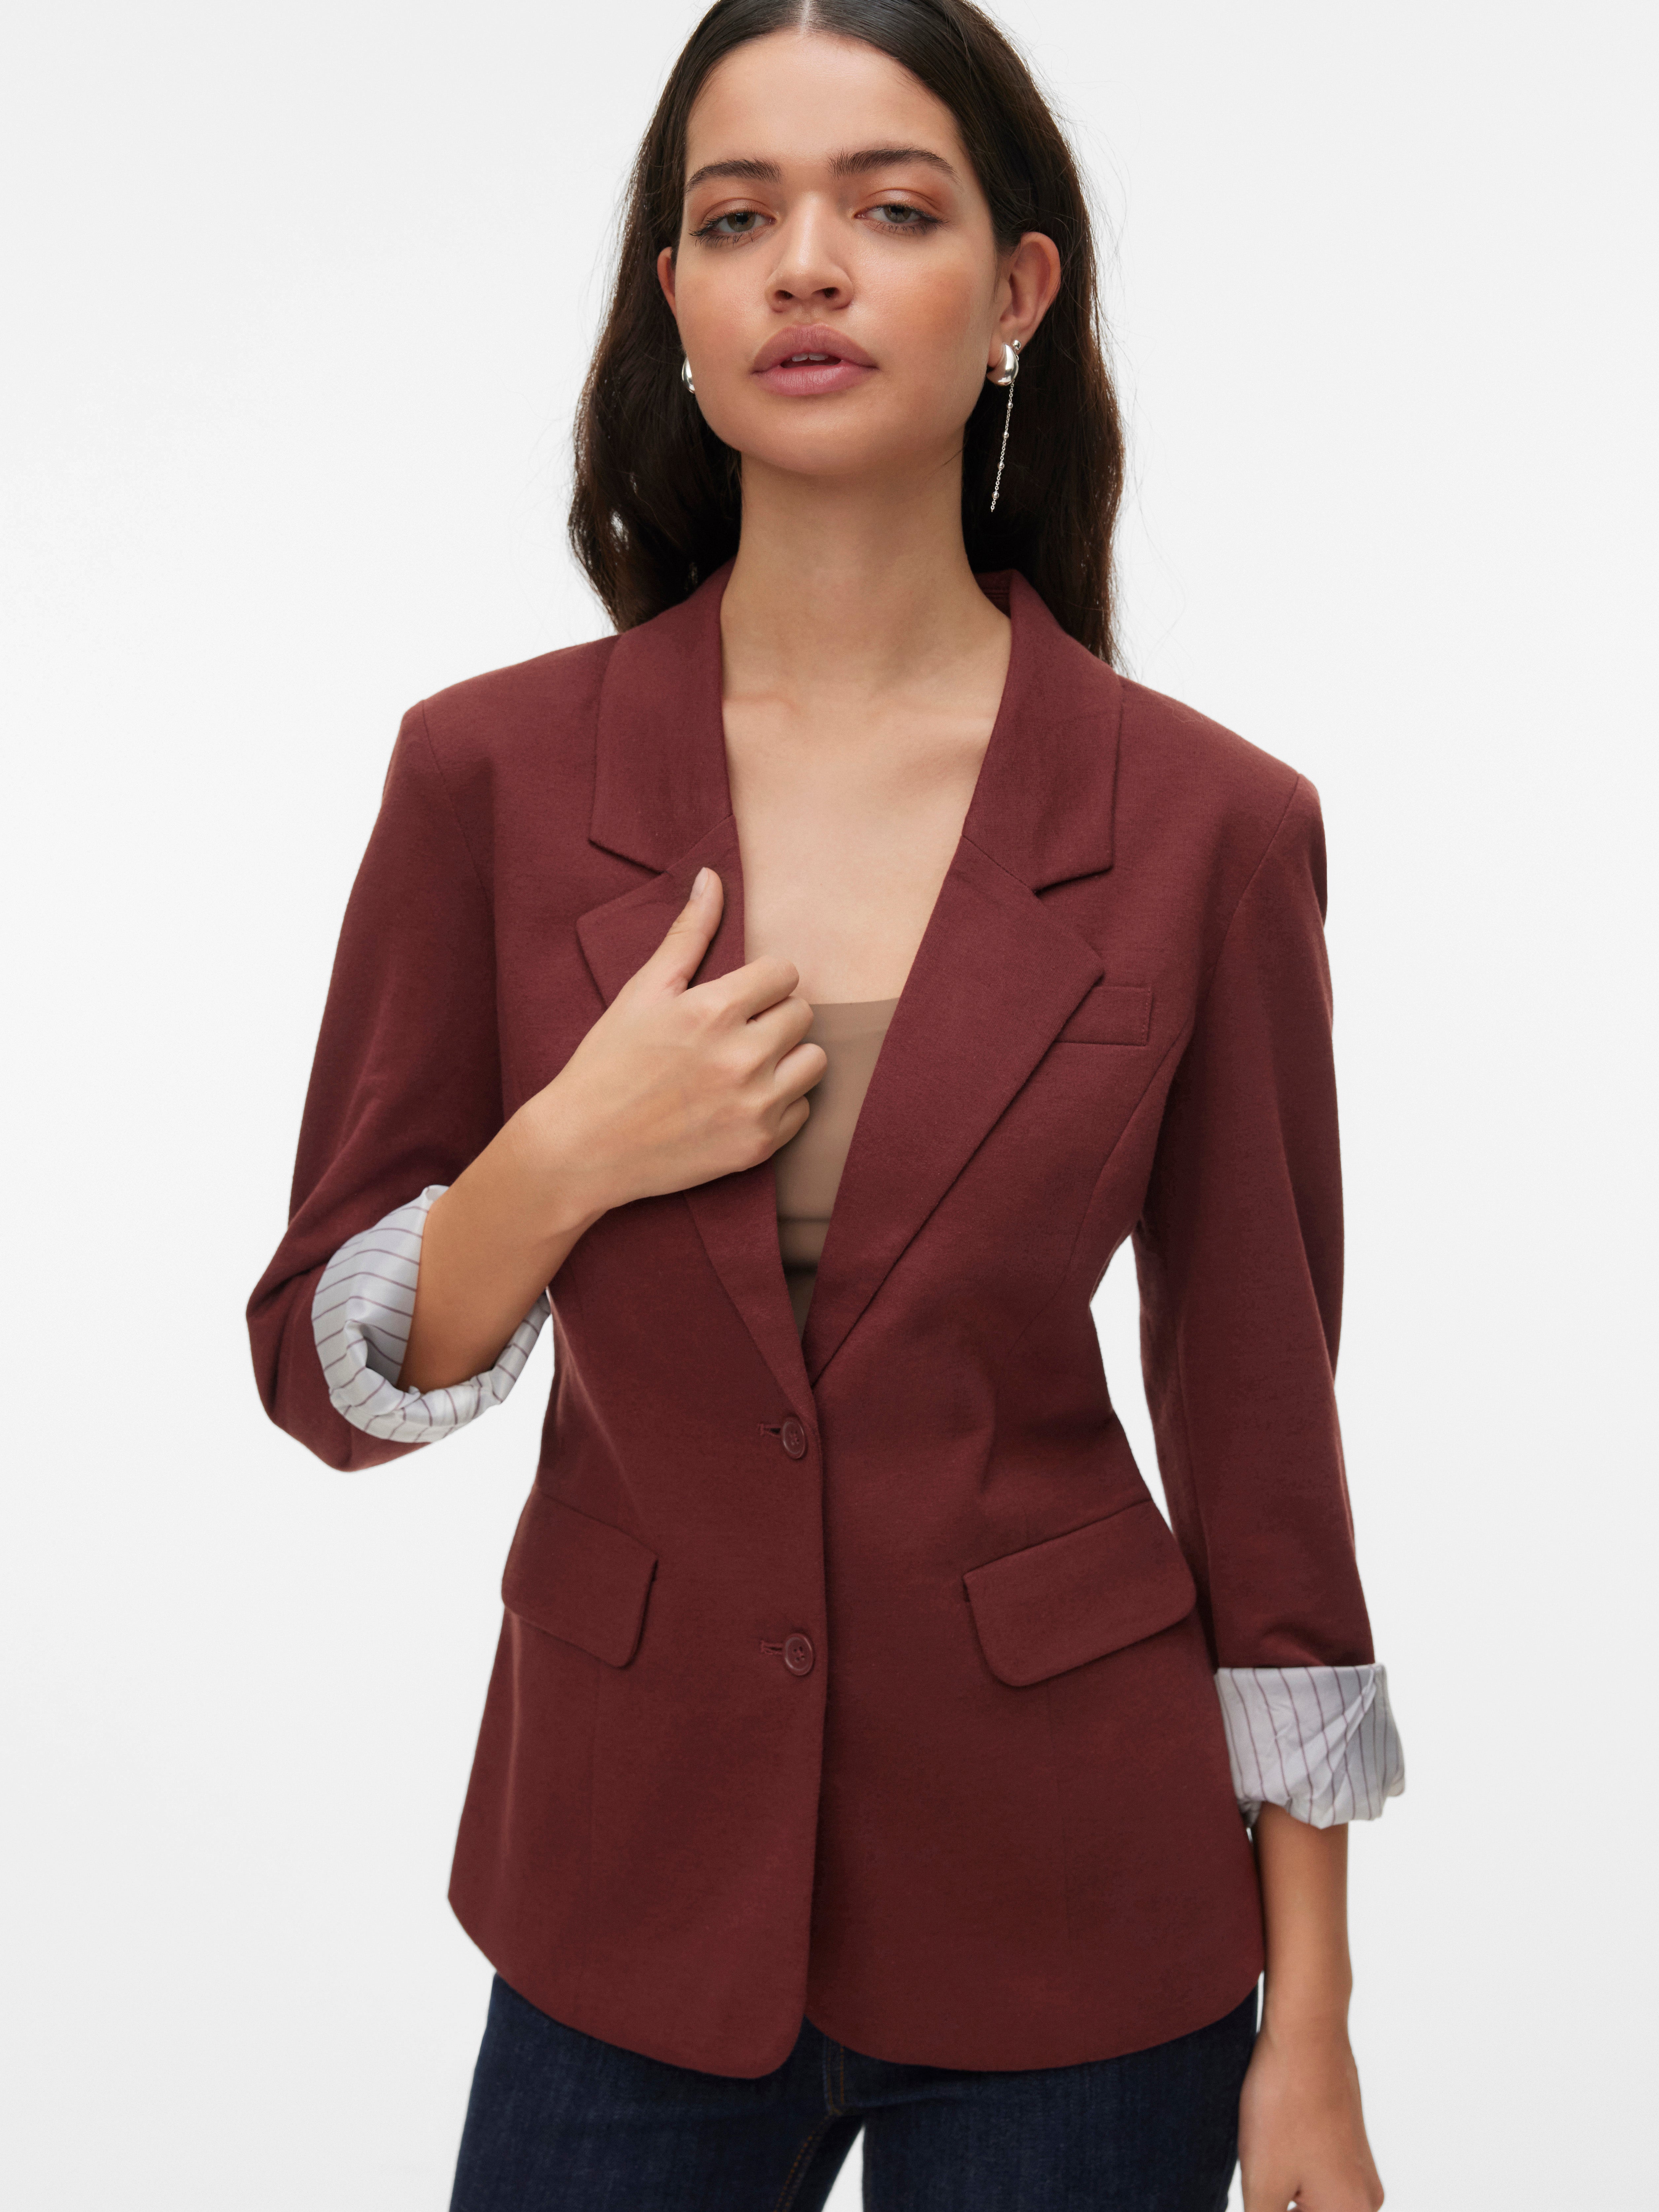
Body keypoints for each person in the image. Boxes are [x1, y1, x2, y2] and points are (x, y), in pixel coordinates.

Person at [247, 3, 1404, 2205]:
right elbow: (319, 1372)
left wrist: (1316, 2024)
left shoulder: (1207, 826)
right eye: (734, 218)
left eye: (889, 209)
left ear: (1017, 292)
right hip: (620, 1885)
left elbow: (1261, 1430)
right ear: (672, 302)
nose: (805, 265)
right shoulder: (487, 775)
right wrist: (566, 1150)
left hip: (1081, 1904)